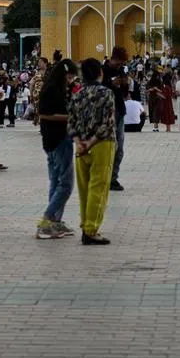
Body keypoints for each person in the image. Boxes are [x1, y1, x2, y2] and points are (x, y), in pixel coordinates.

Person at [69, 59, 116, 245]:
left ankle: (85, 225)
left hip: (80, 145)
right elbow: (108, 122)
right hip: (101, 143)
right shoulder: (106, 93)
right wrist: (91, 142)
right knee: (99, 186)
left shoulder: (77, 94)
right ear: (100, 73)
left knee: (84, 187)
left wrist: (79, 142)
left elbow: (71, 122)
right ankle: (91, 229)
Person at [36, 59, 76, 240]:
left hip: (52, 139)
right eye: (69, 76)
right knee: (66, 184)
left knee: (55, 181)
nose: (70, 80)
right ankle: (46, 220)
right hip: (58, 139)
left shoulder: (54, 88)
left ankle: (55, 221)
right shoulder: (51, 89)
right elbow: (44, 114)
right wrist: (69, 117)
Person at [103, 47, 129, 191]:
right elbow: (97, 88)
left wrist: (125, 84)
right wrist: (110, 84)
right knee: (111, 146)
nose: (120, 66)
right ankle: (105, 177)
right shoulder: (102, 71)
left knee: (119, 149)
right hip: (107, 112)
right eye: (118, 63)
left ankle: (113, 178)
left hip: (119, 110)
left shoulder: (120, 71)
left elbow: (124, 94)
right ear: (113, 58)